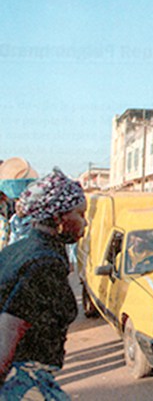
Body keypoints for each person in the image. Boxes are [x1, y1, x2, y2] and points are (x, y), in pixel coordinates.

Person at [0, 168, 87, 399]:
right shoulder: (45, 264)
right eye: (80, 214)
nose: (85, 223)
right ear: (59, 217)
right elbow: (9, 328)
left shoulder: (16, 251)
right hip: (22, 382)